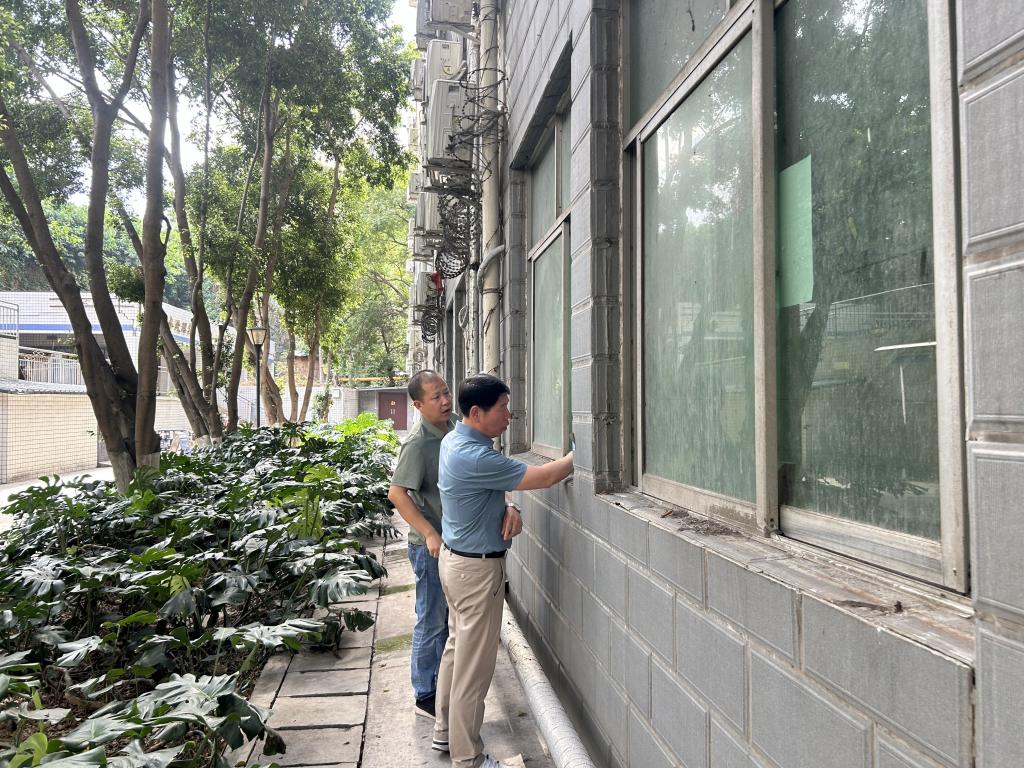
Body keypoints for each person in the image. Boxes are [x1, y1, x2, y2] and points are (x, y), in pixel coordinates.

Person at [432, 374, 574, 768]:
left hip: (456, 563)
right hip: (476, 573)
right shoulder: (475, 456)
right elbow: (546, 476)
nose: (510, 415)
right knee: (474, 670)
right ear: (477, 413)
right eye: (503, 407)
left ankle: (444, 732)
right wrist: (582, 452)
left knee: (457, 651)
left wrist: (509, 505)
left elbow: (490, 487)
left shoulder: (454, 441)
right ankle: (468, 757)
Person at [387, 370, 457, 718]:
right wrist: (429, 532)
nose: (445, 401)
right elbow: (397, 494)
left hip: (455, 544)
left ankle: (443, 686)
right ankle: (425, 694)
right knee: (431, 619)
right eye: (436, 397)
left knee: (447, 619)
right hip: (430, 547)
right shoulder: (417, 443)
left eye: (446, 392)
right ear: (417, 405)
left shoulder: (455, 426)